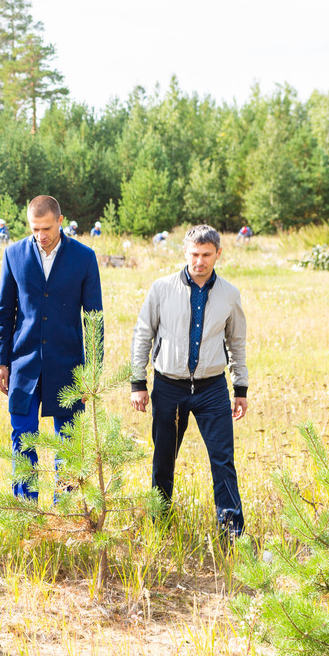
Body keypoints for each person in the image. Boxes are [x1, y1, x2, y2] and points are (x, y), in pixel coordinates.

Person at [130, 224, 248, 538]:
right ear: (185, 252)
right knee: (163, 458)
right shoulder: (161, 288)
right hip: (168, 387)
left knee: (223, 460)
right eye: (194, 254)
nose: (200, 261)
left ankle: (231, 532)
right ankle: (159, 521)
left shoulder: (229, 294)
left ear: (218, 254)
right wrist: (138, 382)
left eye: (207, 254)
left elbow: (236, 343)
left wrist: (240, 389)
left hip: (213, 390)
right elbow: (143, 334)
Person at [0, 196, 103, 498]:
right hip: (23, 365)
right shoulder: (13, 254)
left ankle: (64, 513)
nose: (41, 236)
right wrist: (0, 362)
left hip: (69, 367)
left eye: (46, 228)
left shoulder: (84, 257)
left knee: (67, 445)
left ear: (60, 221)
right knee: (22, 440)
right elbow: (5, 313)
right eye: (34, 229)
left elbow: (94, 319)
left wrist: (91, 372)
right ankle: (26, 513)